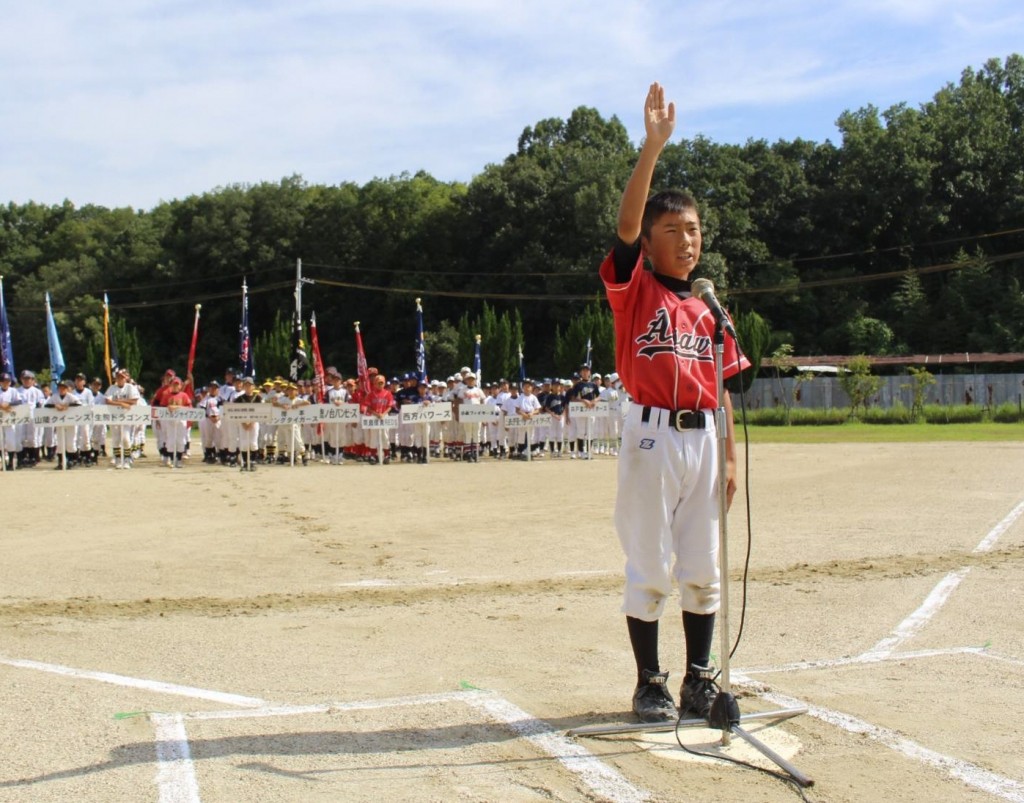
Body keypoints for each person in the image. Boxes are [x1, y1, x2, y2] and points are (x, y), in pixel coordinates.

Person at [599, 82, 749, 724]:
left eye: (692, 230)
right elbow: (626, 225)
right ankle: (649, 680)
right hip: (653, 435)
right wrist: (652, 147)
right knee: (650, 563)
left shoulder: (710, 305)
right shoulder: (635, 291)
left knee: (703, 565)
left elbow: (721, 386)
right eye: (672, 230)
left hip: (705, 439)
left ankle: (699, 680)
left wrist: (731, 458)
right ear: (654, 242)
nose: (685, 240)